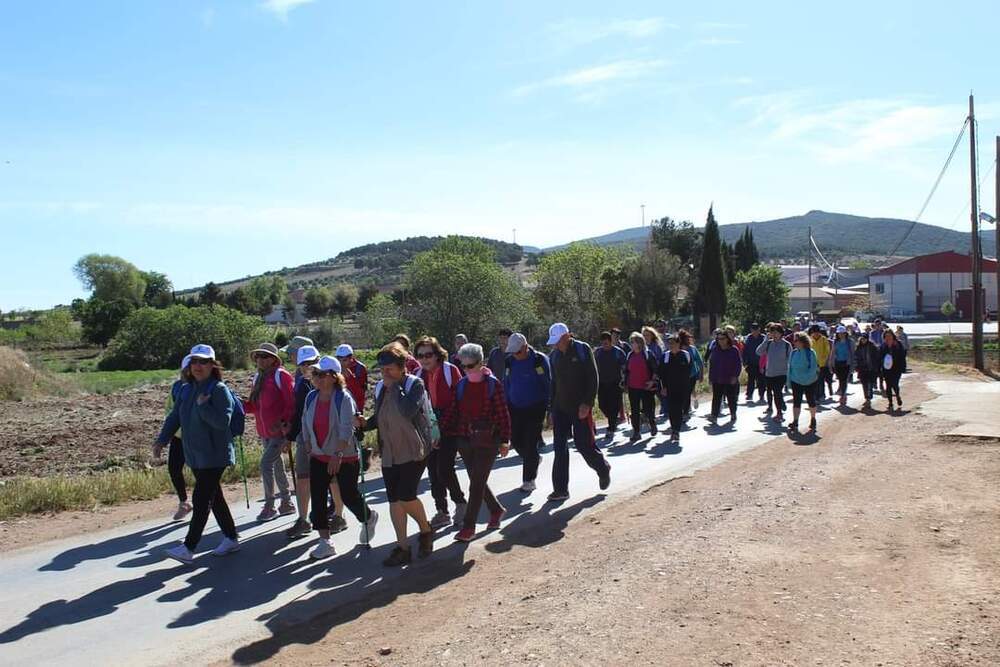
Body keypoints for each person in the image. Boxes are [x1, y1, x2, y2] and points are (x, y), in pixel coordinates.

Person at [156, 344, 240, 564]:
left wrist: (204, 407)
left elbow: (223, 423)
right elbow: (174, 417)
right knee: (215, 497)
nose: (198, 366)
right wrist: (161, 440)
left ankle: (189, 547)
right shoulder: (185, 389)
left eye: (203, 362)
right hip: (195, 454)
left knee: (201, 499)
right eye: (194, 361)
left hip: (215, 455)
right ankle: (231, 537)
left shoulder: (218, 389)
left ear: (213, 365)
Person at [358, 342, 435, 566]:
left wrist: (395, 387)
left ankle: (425, 530)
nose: (384, 373)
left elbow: (407, 411)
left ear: (402, 367)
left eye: (389, 368)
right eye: (382, 369)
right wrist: (364, 424)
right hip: (389, 451)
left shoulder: (415, 384)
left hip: (414, 450)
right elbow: (380, 418)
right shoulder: (382, 387)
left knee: (406, 495)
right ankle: (402, 547)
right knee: (394, 500)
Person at [301, 356, 378, 560]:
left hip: (345, 456)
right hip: (319, 455)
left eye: (319, 374)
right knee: (317, 497)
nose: (314, 377)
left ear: (333, 377)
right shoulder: (311, 397)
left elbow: (346, 429)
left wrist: (338, 455)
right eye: (314, 373)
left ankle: (368, 517)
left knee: (348, 494)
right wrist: (307, 441)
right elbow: (305, 420)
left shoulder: (343, 398)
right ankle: (325, 542)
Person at [443, 343, 511, 542]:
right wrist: (440, 432)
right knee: (477, 480)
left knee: (476, 484)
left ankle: (469, 526)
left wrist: (505, 440)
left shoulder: (493, 385)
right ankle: (496, 510)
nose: (466, 370)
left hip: (487, 440)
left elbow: (503, 414)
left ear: (481, 363)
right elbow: (453, 411)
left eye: (470, 365)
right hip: (464, 439)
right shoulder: (462, 385)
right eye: (463, 366)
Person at [546, 322, 611, 501]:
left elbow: (593, 377)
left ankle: (602, 468)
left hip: (580, 407)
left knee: (583, 445)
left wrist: (587, 403)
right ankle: (560, 489)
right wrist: (551, 409)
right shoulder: (554, 356)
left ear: (567, 336)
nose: (555, 345)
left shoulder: (583, 349)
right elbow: (553, 383)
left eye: (558, 340)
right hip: (560, 408)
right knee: (559, 448)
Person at [283, 345, 342, 540]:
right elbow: (299, 413)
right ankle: (303, 519)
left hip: (326, 439)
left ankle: (338, 517)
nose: (307, 367)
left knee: (332, 479)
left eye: (311, 363)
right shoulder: (301, 383)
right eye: (303, 364)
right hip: (305, 438)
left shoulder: (325, 384)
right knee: (302, 479)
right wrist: (292, 435)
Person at [413, 336, 468, 528]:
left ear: (437, 354)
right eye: (420, 355)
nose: (424, 359)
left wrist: (441, 429)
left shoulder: (450, 370)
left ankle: (460, 503)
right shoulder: (417, 374)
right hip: (428, 429)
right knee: (433, 472)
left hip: (450, 426)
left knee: (444, 468)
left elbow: (459, 400)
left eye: (428, 354)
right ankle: (441, 511)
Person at [243, 342, 295, 522]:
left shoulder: (282, 376)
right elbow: (253, 406)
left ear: (274, 359)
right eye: (258, 356)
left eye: (264, 356)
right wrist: (237, 405)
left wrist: (284, 424)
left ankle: (270, 505)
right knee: (276, 465)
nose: (260, 359)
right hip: (264, 431)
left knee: (266, 464)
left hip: (279, 431)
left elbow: (291, 403)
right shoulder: (258, 378)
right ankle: (287, 503)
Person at [502, 332, 551, 493]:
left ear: (525, 346)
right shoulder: (510, 361)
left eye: (518, 352)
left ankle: (529, 480)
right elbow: (507, 383)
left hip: (536, 407)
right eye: (513, 352)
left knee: (530, 443)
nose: (515, 355)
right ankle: (534, 459)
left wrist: (550, 408)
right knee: (516, 441)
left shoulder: (539, 360)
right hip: (515, 407)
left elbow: (548, 383)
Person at [157, 355, 193, 521]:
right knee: (173, 469)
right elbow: (170, 411)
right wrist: (167, 435)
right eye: (185, 369)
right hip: (178, 437)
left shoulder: (200, 387)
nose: (187, 372)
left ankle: (208, 502)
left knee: (202, 473)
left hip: (196, 439)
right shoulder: (176, 387)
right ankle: (184, 503)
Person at [624, 331, 658, 441]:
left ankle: (652, 424)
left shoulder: (647, 354)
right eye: (631, 342)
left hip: (645, 387)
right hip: (633, 387)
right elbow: (627, 371)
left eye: (633, 342)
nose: (632, 344)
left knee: (648, 409)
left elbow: (655, 369)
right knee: (635, 411)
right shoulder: (630, 355)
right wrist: (625, 383)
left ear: (639, 343)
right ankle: (636, 432)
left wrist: (652, 381)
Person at [657, 335, 691, 442]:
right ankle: (674, 430)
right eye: (669, 343)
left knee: (679, 408)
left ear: (678, 344)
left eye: (673, 343)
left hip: (682, 387)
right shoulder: (665, 356)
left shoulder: (685, 355)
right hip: (669, 387)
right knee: (672, 409)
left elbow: (689, 371)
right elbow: (661, 373)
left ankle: (677, 429)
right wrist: (663, 387)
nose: (671, 346)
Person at [594, 331, 627, 442]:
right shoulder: (598, 352)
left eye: (607, 343)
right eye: (603, 343)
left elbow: (624, 367)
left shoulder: (618, 352)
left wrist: (624, 380)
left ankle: (611, 428)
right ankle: (613, 420)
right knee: (602, 405)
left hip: (615, 383)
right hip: (602, 384)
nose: (605, 345)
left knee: (614, 406)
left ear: (611, 341)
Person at [757, 323, 792, 422]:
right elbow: (758, 352)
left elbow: (790, 360)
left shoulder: (786, 345)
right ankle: (781, 404)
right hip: (769, 373)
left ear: (781, 333)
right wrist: (765, 340)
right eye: (772, 332)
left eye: (776, 332)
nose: (774, 334)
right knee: (775, 392)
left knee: (777, 392)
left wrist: (791, 373)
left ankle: (779, 413)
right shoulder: (768, 344)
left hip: (782, 374)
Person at [707, 329, 742, 425]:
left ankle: (733, 413)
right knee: (716, 398)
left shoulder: (734, 350)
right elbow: (712, 364)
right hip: (717, 379)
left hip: (730, 379)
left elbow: (738, 364)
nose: (720, 341)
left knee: (731, 398)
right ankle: (714, 416)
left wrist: (735, 376)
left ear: (727, 339)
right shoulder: (715, 350)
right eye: (718, 339)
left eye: (722, 339)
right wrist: (710, 378)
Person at [787, 333, 819, 433]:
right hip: (795, 381)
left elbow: (813, 368)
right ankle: (795, 421)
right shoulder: (793, 353)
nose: (794, 342)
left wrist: (806, 379)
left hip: (810, 381)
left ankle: (813, 419)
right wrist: (789, 381)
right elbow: (790, 368)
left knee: (811, 401)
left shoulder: (811, 353)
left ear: (802, 341)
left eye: (796, 340)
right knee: (796, 402)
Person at [641, 326, 666, 418]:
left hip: (657, 373)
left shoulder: (656, 347)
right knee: (648, 395)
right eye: (644, 335)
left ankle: (665, 409)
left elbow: (660, 360)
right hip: (646, 374)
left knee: (660, 393)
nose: (646, 337)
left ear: (652, 336)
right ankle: (648, 413)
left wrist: (657, 374)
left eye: (647, 335)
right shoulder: (642, 347)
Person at [880, 330, 906, 412]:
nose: (888, 337)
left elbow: (902, 355)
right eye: (886, 336)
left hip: (896, 368)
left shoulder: (898, 344)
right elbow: (880, 356)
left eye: (889, 335)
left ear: (893, 336)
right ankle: (890, 402)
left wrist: (903, 367)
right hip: (887, 368)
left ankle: (897, 395)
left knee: (895, 384)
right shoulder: (883, 345)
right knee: (888, 385)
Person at [681, 329, 703, 420]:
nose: (687, 340)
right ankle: (685, 408)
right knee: (683, 393)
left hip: (692, 374)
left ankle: (686, 411)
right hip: (681, 376)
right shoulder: (678, 349)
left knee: (688, 392)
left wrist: (701, 374)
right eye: (685, 338)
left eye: (688, 338)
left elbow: (699, 361)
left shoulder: (692, 349)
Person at [854, 332, 880, 409]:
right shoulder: (858, 347)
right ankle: (867, 398)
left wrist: (876, 368)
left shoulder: (872, 347)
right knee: (864, 384)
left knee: (869, 384)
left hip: (871, 369)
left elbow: (876, 358)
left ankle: (868, 399)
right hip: (862, 369)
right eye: (862, 339)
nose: (863, 340)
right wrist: (856, 366)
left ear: (867, 339)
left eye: (864, 339)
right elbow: (856, 358)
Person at [831, 325, 855, 406]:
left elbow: (852, 354)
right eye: (839, 333)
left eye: (842, 333)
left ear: (845, 333)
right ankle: (842, 393)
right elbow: (833, 353)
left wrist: (853, 365)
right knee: (840, 379)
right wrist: (831, 364)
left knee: (844, 380)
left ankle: (843, 395)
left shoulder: (850, 342)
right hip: (838, 363)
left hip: (846, 363)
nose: (840, 335)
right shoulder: (835, 342)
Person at [808, 325, 832, 403]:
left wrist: (824, 361)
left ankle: (821, 395)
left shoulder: (824, 339)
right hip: (812, 364)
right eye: (814, 332)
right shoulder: (809, 339)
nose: (815, 334)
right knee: (813, 381)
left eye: (817, 332)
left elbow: (827, 351)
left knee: (820, 380)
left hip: (822, 364)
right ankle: (815, 396)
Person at [742, 323, 766, 403]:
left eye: (756, 330)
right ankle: (749, 394)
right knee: (751, 379)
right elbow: (744, 350)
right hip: (751, 362)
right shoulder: (748, 338)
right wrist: (745, 361)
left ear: (759, 330)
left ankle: (761, 395)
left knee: (761, 380)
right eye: (753, 330)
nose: (755, 331)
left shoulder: (763, 338)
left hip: (761, 363)